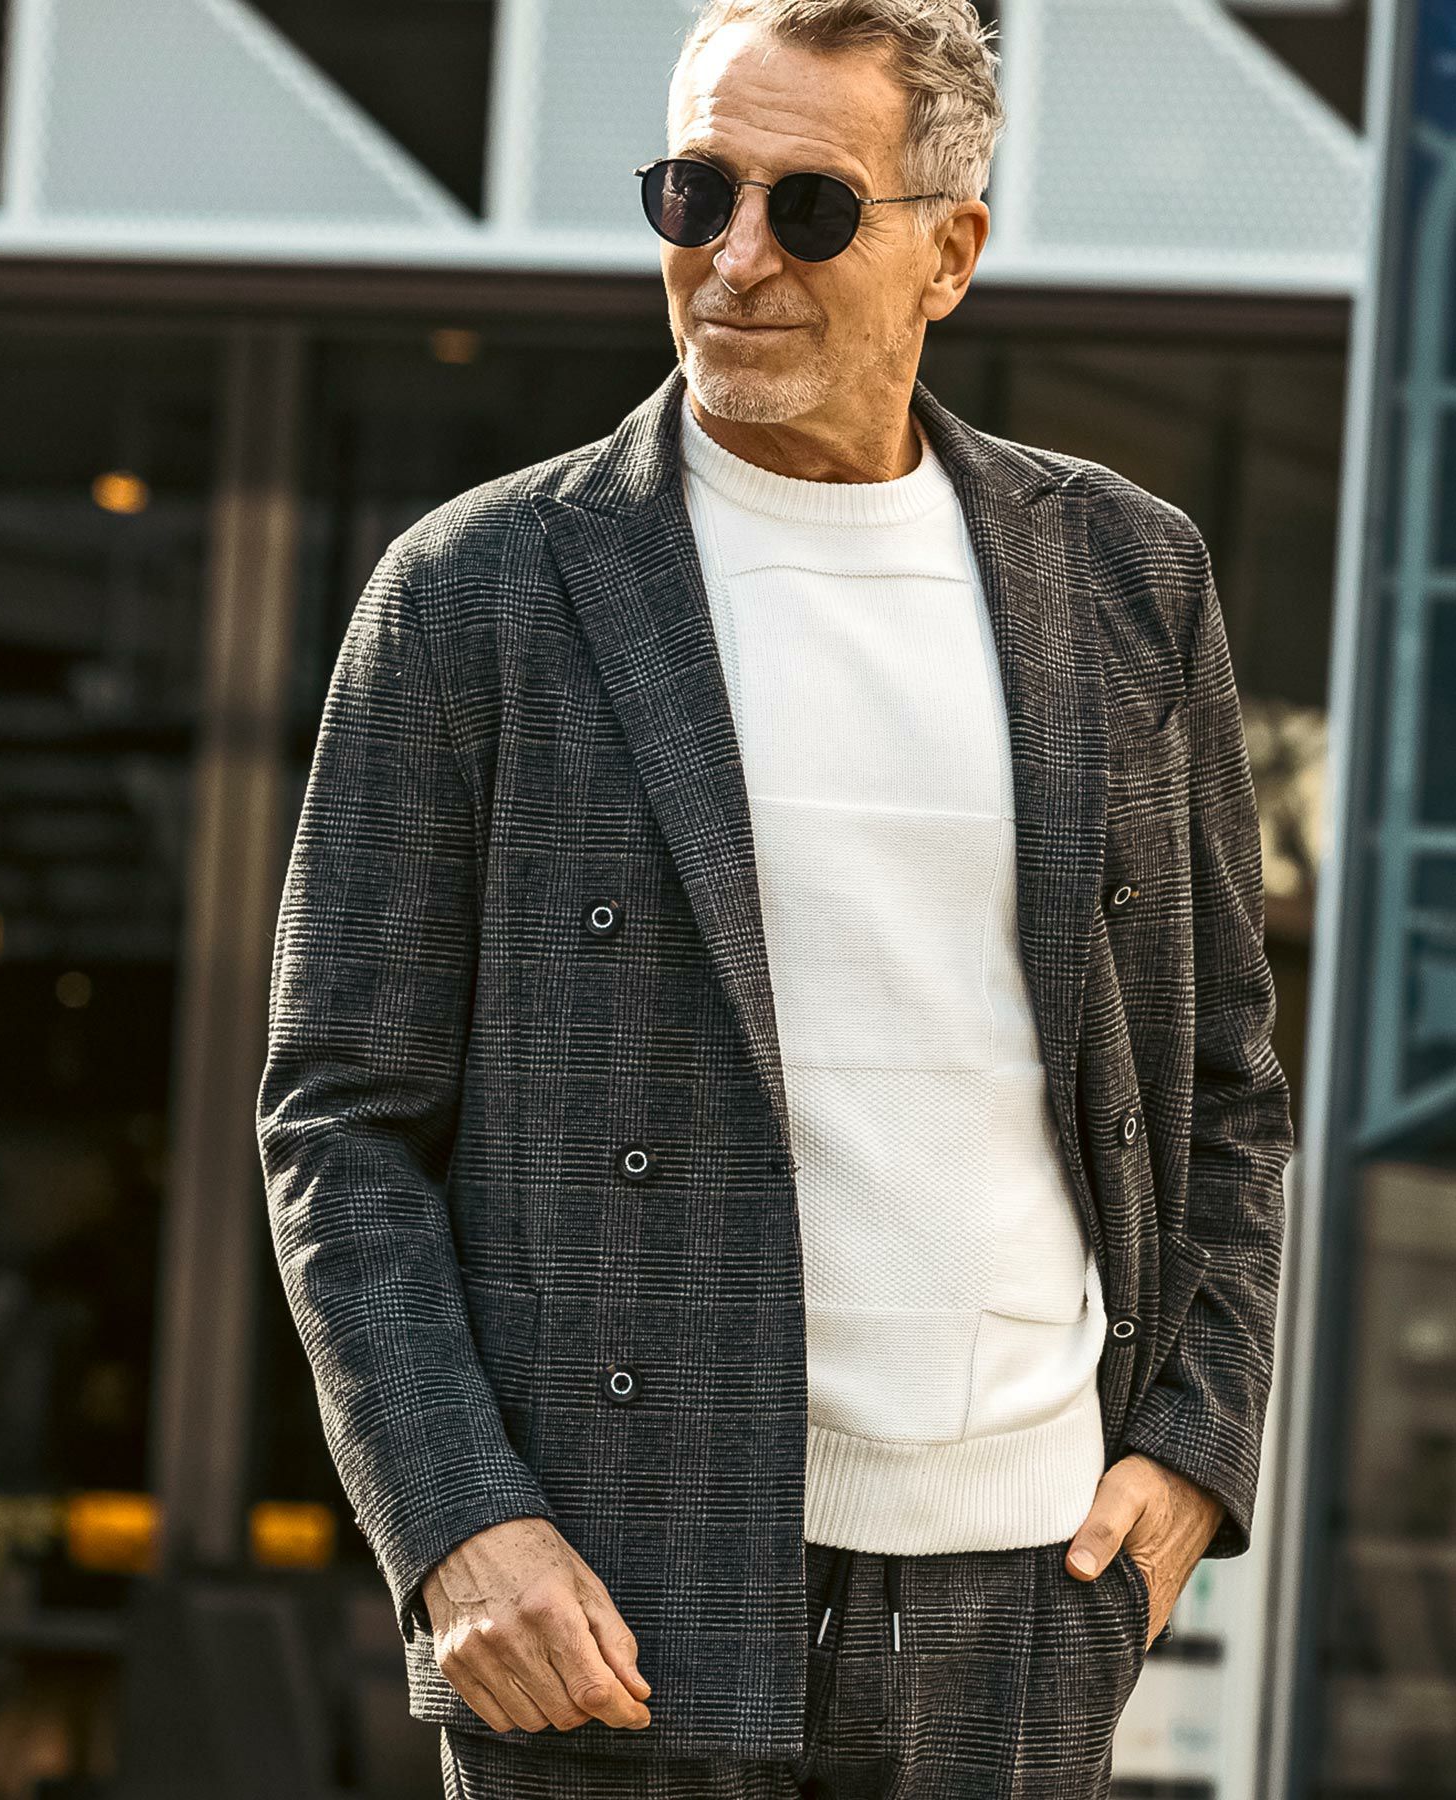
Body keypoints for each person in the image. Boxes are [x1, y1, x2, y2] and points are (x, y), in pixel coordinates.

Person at [256, 2, 1295, 1794]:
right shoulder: (479, 590)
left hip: (1023, 1595)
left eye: (810, 209)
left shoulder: (1126, 578)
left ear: (949, 253)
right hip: (600, 1603)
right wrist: (453, 1522)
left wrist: (1197, 1444)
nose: (736, 259)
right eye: (694, 193)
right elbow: (338, 1116)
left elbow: (1222, 1083)